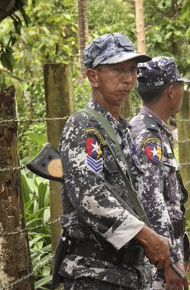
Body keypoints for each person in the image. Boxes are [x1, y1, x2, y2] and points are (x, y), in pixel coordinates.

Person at [58, 33, 171, 289]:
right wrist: (145, 235)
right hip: (96, 274)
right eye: (118, 69)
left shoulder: (122, 129)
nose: (128, 78)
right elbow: (89, 195)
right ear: (93, 77)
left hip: (129, 272)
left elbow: (136, 197)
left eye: (132, 69)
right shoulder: (85, 126)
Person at [130, 56, 190, 290]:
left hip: (166, 248)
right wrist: (170, 261)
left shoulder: (154, 130)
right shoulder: (148, 135)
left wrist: (183, 239)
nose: (181, 91)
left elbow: (169, 200)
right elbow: (151, 199)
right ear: (171, 91)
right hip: (157, 260)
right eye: (180, 86)